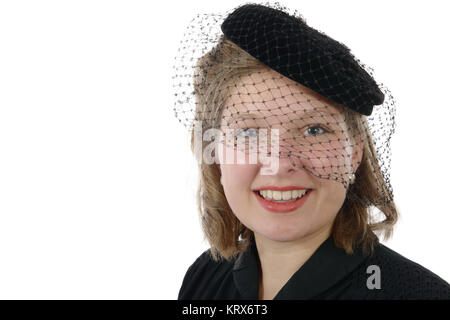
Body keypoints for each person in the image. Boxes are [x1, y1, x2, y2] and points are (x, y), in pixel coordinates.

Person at [172, 3, 450, 299]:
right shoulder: (205, 278)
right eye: (249, 132)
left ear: (355, 153)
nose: (278, 163)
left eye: (313, 130)